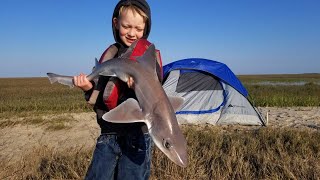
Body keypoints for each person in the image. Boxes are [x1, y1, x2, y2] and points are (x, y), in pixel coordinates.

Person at [73, 0, 163, 179]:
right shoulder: (111, 56)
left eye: (138, 28)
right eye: (126, 26)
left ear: (146, 28)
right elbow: (100, 97)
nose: (132, 33)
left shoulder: (148, 58)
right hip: (108, 134)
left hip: (137, 136)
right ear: (116, 23)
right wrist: (87, 87)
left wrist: (137, 88)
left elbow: (156, 93)